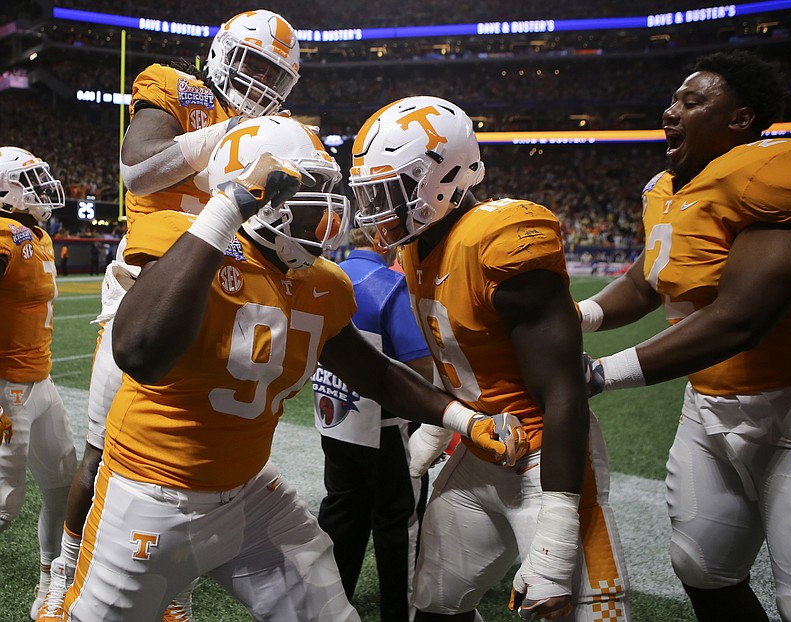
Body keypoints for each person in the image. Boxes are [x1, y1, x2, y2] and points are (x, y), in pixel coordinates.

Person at [56, 114, 520, 622]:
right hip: (148, 493)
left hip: (249, 493)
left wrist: (463, 418)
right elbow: (138, 351)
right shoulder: (188, 240)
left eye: (325, 187)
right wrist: (226, 209)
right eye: (306, 188)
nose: (323, 208)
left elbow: (377, 375)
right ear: (255, 191)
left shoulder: (322, 283)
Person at [36, 9, 303, 622]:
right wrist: (233, 136)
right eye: (253, 63)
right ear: (222, 54)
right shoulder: (175, 88)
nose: (261, 82)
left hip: (224, 295)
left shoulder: (272, 126)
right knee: (105, 447)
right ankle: (62, 567)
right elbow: (139, 166)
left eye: (274, 74)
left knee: (190, 450)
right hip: (147, 289)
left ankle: (171, 588)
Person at [349, 96, 630, 622]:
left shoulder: (501, 239)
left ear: (444, 177)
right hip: (481, 450)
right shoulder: (415, 247)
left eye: (389, 190)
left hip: (548, 457)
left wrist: (556, 529)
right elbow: (457, 350)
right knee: (434, 607)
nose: (377, 208)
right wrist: (442, 424)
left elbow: (564, 389)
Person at [579, 51, 791, 622]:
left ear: (741, 119)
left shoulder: (768, 172)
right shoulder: (665, 186)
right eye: (674, 99)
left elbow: (740, 318)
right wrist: (581, 317)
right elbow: (651, 276)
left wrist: (602, 373)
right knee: (702, 567)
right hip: (708, 409)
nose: (670, 111)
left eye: (693, 101)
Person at [312, 226, 433, 621]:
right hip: (387, 427)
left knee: (342, 512)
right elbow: (420, 366)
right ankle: (399, 614)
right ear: (384, 240)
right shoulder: (389, 285)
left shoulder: (324, 275)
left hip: (334, 418)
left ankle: (330, 606)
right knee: (399, 523)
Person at [0, 146, 78, 617]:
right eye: (30, 180)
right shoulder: (4, 234)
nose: (43, 189)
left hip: (39, 383)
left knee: (63, 485)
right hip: (6, 387)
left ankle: (51, 578)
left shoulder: (34, 235)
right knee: (4, 508)